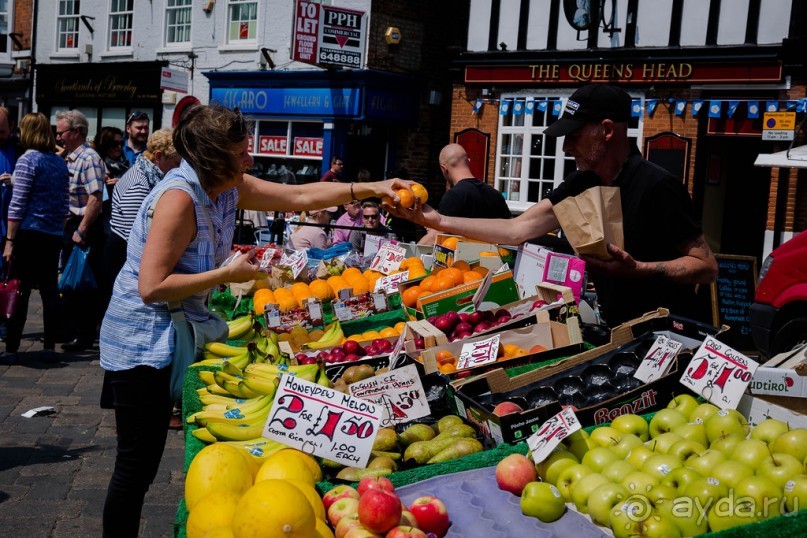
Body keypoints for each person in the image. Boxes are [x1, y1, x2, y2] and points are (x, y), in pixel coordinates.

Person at [97, 105, 411, 537]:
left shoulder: (227, 188)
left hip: (178, 331)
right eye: (241, 152)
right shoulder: (178, 199)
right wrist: (227, 274)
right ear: (213, 159)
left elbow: (300, 196)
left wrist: (373, 187)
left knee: (144, 464)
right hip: (142, 342)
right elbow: (151, 286)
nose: (250, 159)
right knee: (135, 467)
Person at [390, 84, 718, 326]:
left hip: (670, 331)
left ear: (606, 130)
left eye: (573, 136)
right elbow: (517, 229)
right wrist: (437, 220)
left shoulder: (657, 185)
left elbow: (705, 266)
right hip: (617, 329)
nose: (565, 148)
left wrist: (642, 270)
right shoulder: (581, 183)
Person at [1, 113, 70, 364]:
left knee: (21, 291)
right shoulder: (59, 163)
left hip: (29, 234)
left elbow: (18, 204)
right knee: (50, 293)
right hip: (52, 235)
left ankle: (11, 348)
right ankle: (50, 346)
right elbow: (65, 204)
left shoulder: (27, 160)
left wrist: (10, 240)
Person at [102, 129, 180, 313]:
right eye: (176, 162)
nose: (179, 167)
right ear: (158, 156)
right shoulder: (140, 183)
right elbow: (136, 234)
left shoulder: (147, 174)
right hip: (122, 254)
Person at [56, 109, 107, 352]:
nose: (59, 138)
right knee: (71, 281)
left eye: (62, 133)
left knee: (83, 283)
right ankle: (71, 330)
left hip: (83, 227)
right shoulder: (70, 157)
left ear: (76, 132)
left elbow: (95, 198)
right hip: (71, 225)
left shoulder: (88, 158)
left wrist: (82, 230)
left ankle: (83, 335)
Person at [417, 143, 511, 245]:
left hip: (462, 260)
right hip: (494, 259)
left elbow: (435, 237)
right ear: (468, 162)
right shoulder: (496, 195)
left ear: (444, 168)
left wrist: (409, 254)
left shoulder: (454, 196)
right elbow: (510, 229)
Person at [94, 127, 131, 238]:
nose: (119, 147)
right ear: (104, 144)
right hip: (99, 225)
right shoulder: (96, 164)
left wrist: (122, 183)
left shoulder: (126, 165)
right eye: (115, 143)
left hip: (119, 225)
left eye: (121, 143)